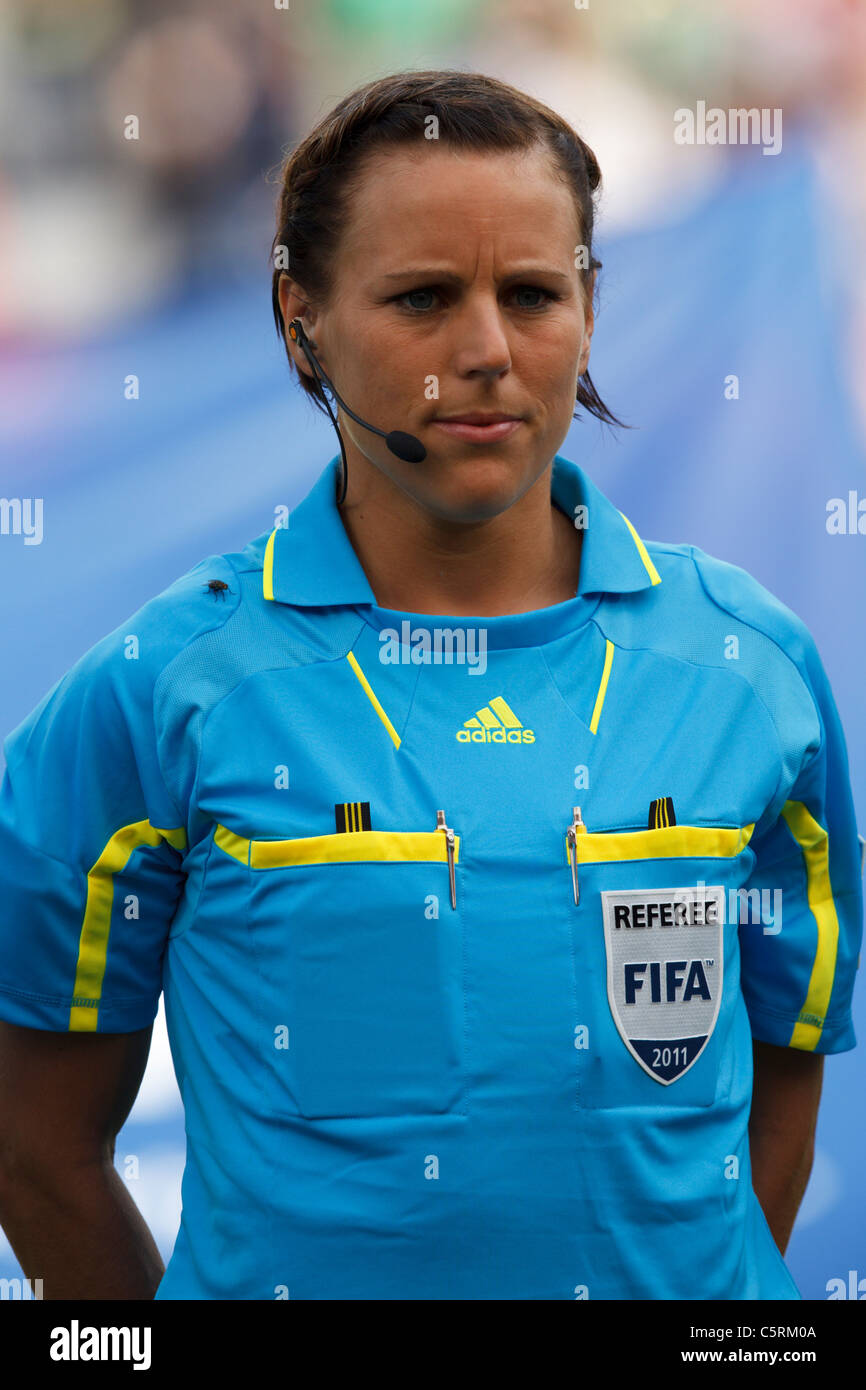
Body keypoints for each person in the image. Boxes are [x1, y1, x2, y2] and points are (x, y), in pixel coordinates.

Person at [0, 69, 861, 1302]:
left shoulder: (751, 669)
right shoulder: (162, 688)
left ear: (588, 306)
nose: (486, 351)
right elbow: (35, 1150)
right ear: (302, 317)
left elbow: (782, 1078)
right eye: (420, 298)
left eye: (531, 294)